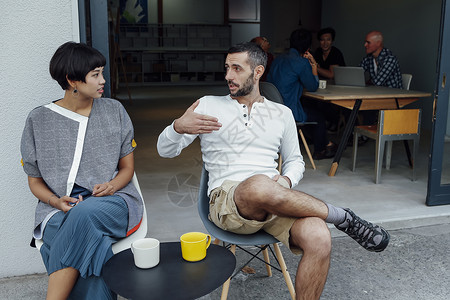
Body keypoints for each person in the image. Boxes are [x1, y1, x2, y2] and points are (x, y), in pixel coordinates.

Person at [157, 42, 390, 300]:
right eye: (226, 68)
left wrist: (286, 182)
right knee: (258, 185)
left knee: (319, 235)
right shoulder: (207, 105)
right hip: (227, 202)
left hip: (274, 200)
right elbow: (165, 151)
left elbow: (295, 161)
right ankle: (341, 216)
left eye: (236, 68)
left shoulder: (281, 113)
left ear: (258, 72)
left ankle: (330, 220)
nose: (228, 76)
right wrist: (177, 127)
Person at [20, 42, 143, 300]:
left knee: (84, 216)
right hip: (57, 208)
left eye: (102, 73)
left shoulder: (114, 111)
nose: (103, 80)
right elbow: (34, 181)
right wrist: (55, 200)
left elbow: (127, 168)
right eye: (96, 74)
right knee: (92, 244)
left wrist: (112, 185)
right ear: (72, 80)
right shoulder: (38, 120)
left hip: (112, 201)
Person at [267, 29, 336, 160]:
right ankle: (321, 150)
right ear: (308, 47)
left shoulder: (278, 59)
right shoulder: (301, 62)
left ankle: (323, 142)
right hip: (289, 111)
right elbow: (313, 87)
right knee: (319, 117)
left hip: (272, 110)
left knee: (310, 110)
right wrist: (314, 67)